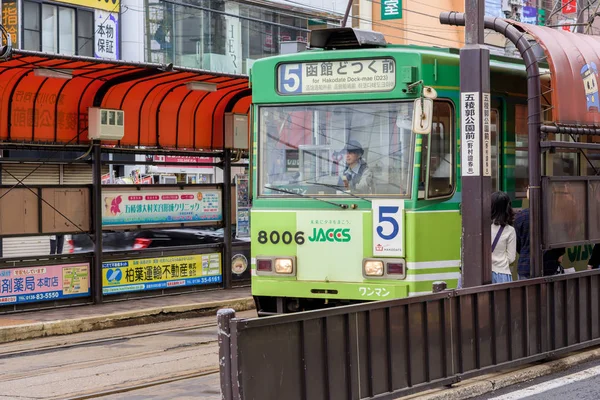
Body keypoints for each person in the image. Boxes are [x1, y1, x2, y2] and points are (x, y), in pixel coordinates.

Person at [491, 191, 517, 283]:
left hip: (484, 274)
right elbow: (511, 258)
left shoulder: (482, 228)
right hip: (502, 274)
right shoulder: (510, 230)